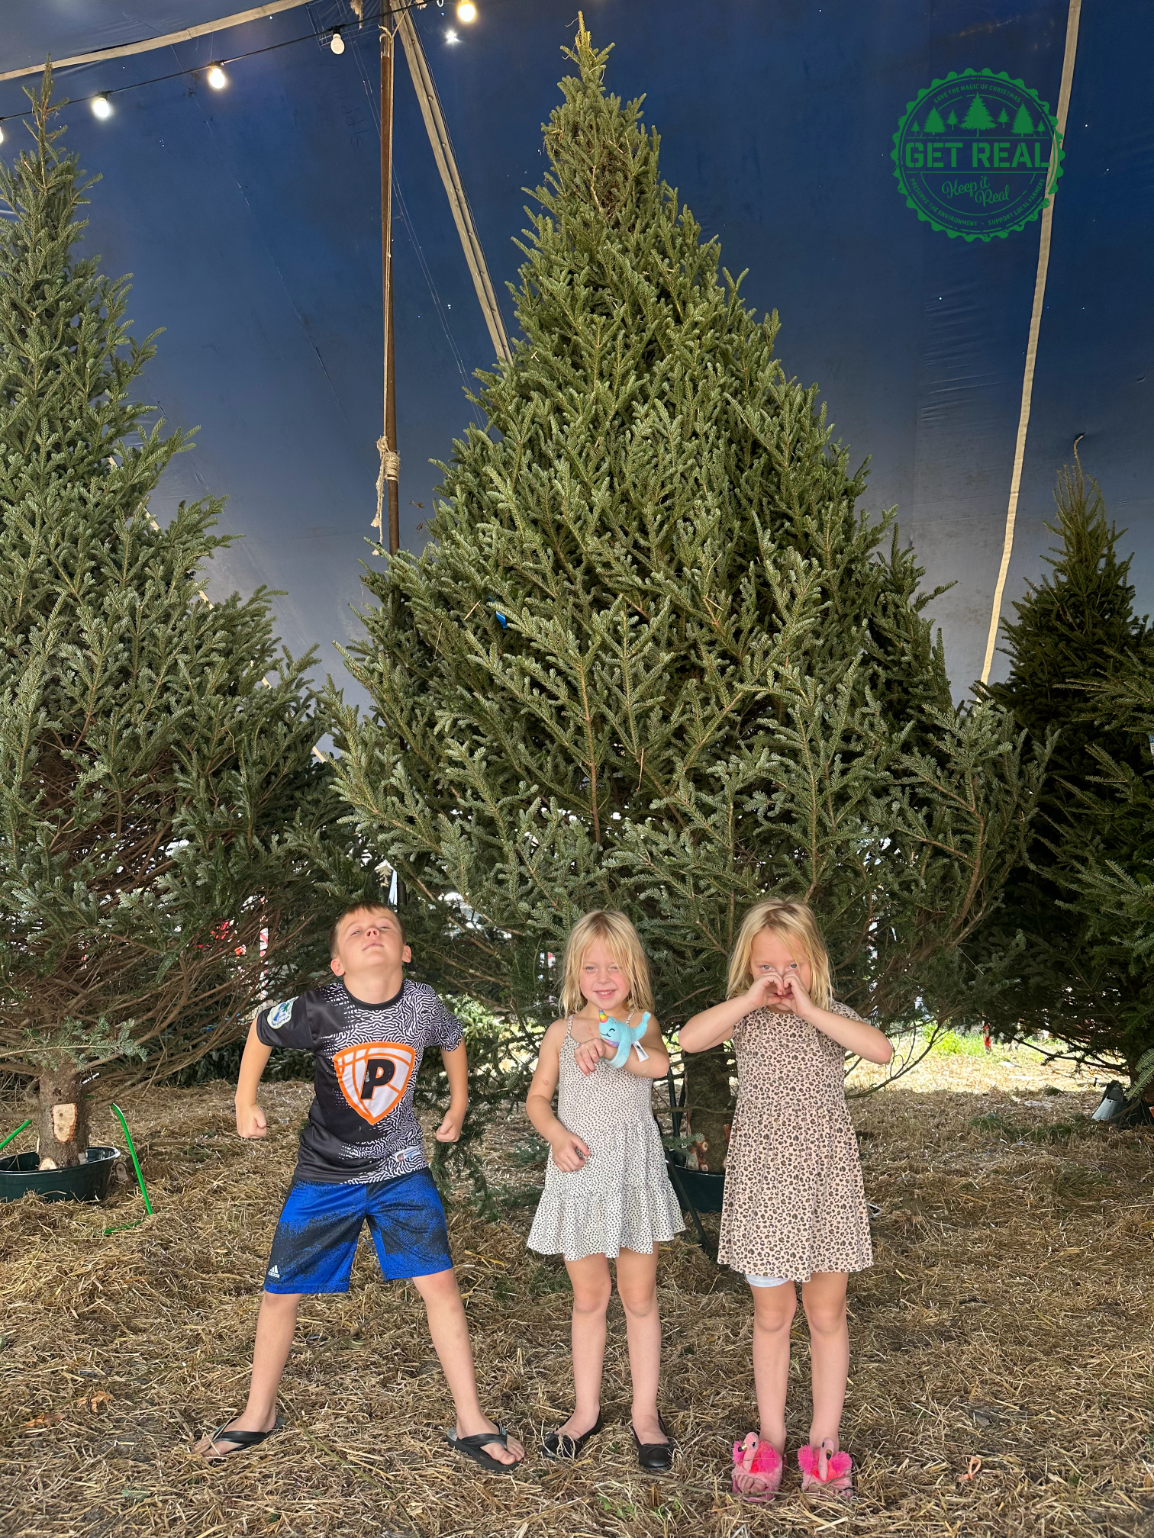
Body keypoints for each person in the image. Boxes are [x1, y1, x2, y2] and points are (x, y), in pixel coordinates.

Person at [192, 901, 525, 1474]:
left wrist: (460, 1100)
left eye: (384, 928)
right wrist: (245, 1098)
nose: (372, 934)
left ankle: (471, 1418)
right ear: (338, 962)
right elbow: (260, 1028)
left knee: (440, 1286)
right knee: (280, 1293)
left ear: (405, 951)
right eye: (356, 931)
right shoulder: (320, 1007)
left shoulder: (423, 1004)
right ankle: (257, 1412)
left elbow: (452, 1037)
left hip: (402, 1171)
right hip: (326, 1175)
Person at [680, 898, 892, 1502]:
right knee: (772, 1315)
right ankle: (770, 1438)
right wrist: (750, 999)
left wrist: (809, 1006)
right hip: (766, 1185)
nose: (779, 977)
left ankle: (823, 1443)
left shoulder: (830, 1013)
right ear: (747, 968)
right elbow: (692, 1039)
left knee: (827, 1312)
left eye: (791, 964)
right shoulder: (745, 1016)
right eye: (765, 966)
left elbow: (879, 1050)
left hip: (826, 1182)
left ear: (814, 962)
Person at [525, 910, 684, 1472]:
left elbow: (659, 1065)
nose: (602, 976)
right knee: (590, 1297)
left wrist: (617, 1047)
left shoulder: (642, 1022)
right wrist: (556, 1133)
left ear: (632, 969)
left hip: (633, 1173)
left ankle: (645, 1415)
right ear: (575, 972)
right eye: (590, 966)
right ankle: (584, 1411)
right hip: (583, 1172)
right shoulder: (561, 1033)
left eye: (614, 964)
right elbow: (538, 1098)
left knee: (639, 1298)